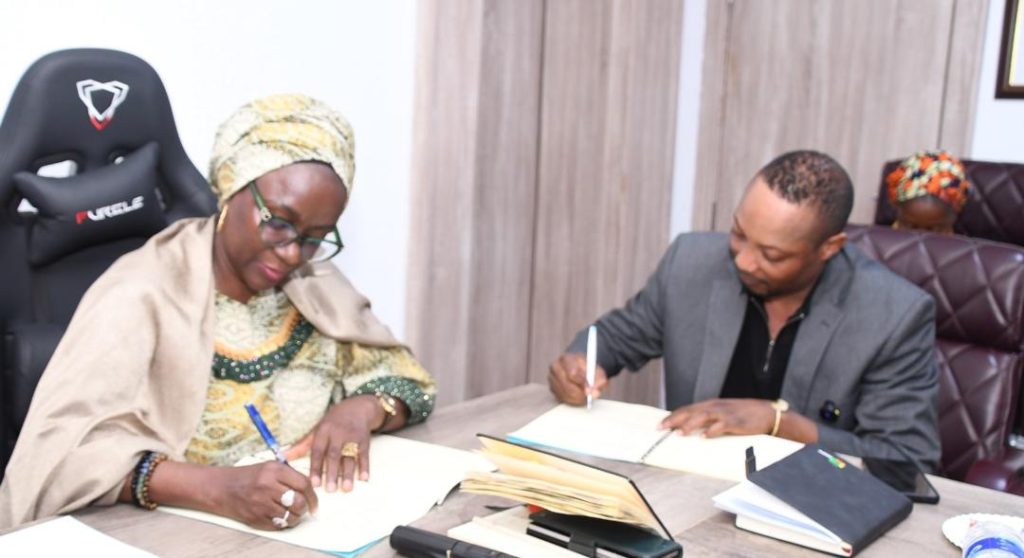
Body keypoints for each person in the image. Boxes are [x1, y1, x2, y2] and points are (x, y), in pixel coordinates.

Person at [0, 94, 436, 531]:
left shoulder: (317, 283)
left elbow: (408, 381)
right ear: (231, 190)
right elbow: (59, 458)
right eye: (279, 223)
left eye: (314, 237)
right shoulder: (142, 291)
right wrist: (216, 487)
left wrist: (363, 408)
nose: (290, 254)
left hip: (311, 530)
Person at [548, 150, 940, 471]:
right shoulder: (691, 261)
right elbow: (617, 337)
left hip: (809, 513)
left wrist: (780, 425)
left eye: (772, 255)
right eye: (739, 234)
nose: (745, 262)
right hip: (686, 489)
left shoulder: (894, 314)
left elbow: (908, 461)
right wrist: (582, 361)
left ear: (829, 247)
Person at [886, 150, 971, 234]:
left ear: (952, 221)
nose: (921, 238)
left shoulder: (961, 247)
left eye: (934, 230)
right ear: (898, 214)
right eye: (910, 227)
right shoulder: (882, 243)